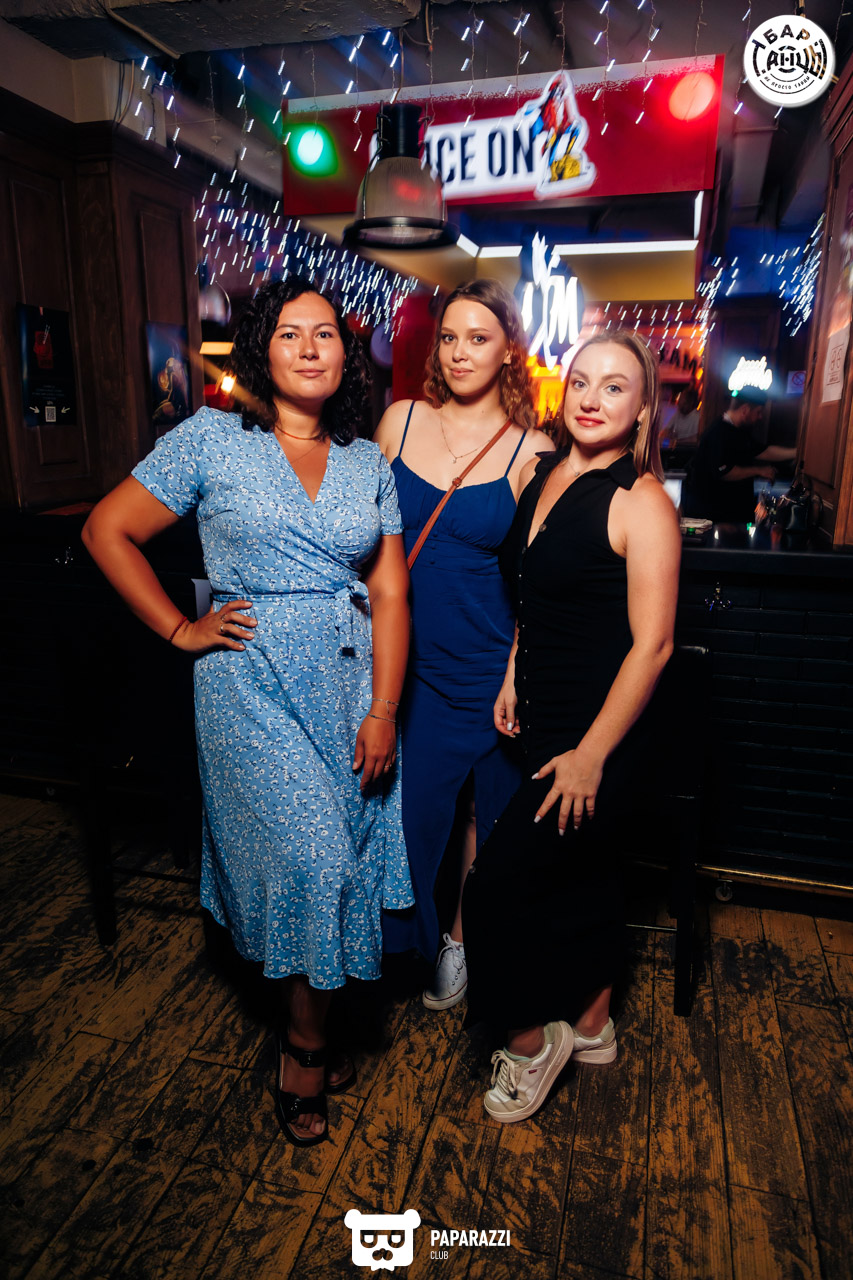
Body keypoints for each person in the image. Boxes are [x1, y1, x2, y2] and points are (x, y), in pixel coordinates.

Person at [82, 277, 412, 1147]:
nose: (309, 347)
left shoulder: (367, 462)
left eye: (325, 333)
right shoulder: (210, 439)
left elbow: (388, 590)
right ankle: (304, 1050)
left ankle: (317, 1024)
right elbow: (107, 530)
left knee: (342, 862)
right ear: (263, 349)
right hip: (250, 688)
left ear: (345, 357)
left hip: (347, 687)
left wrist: (383, 708)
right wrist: (179, 629)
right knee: (314, 865)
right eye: (289, 332)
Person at [462, 329, 681, 1123]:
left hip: (600, 737)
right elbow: (532, 594)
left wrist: (590, 755)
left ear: (643, 408)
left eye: (614, 386)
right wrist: (513, 670)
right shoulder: (541, 472)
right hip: (544, 716)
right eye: (581, 382)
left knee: (495, 889)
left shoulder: (639, 501)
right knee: (582, 874)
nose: (591, 399)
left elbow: (653, 646)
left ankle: (529, 1043)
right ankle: (591, 1025)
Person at [375, 280, 553, 1010]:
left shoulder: (531, 449)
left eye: (478, 339)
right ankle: (396, 947)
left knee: (490, 814)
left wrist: (515, 670)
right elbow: (359, 536)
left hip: (487, 662)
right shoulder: (400, 422)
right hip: (404, 661)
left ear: (508, 350)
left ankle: (462, 939)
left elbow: (538, 580)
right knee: (407, 815)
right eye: (448, 337)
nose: (459, 352)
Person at [681, 388, 795, 522]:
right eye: (758, 412)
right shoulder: (719, 432)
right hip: (715, 515)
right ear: (745, 410)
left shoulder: (737, 431)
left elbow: (764, 451)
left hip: (728, 514)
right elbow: (723, 472)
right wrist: (759, 470)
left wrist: (796, 453)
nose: (760, 417)